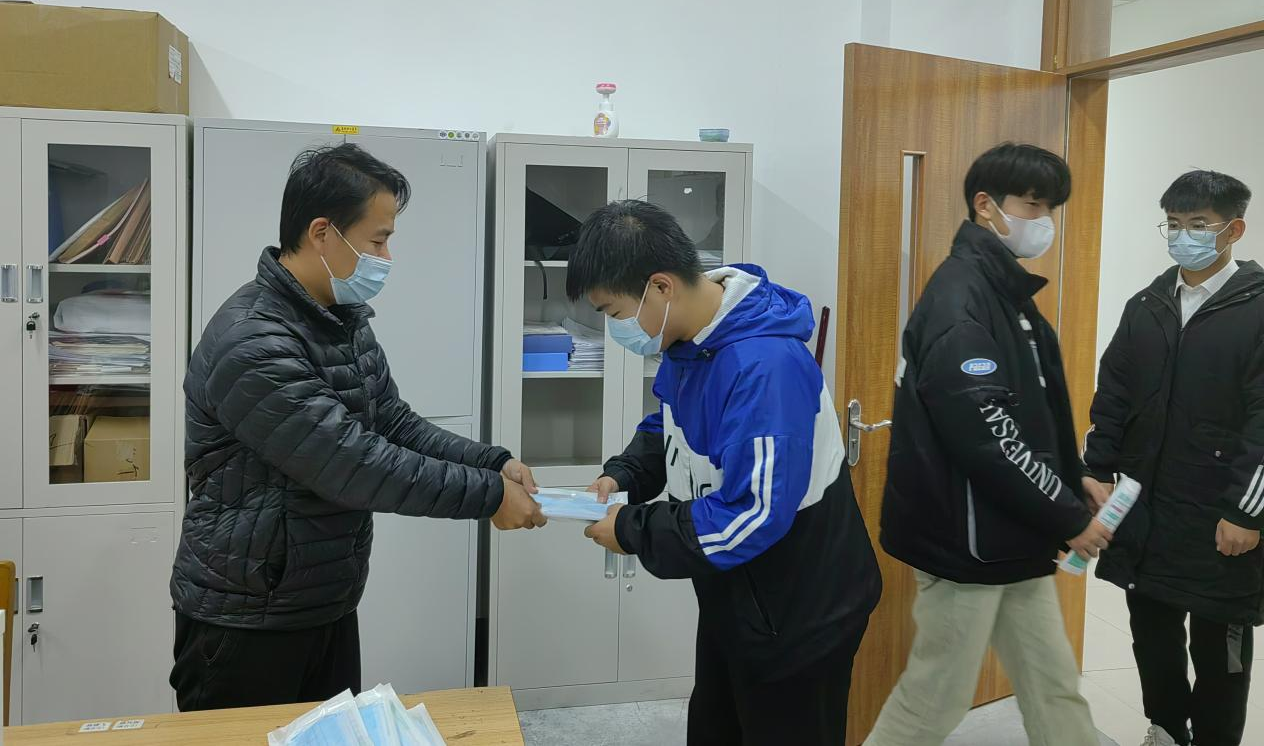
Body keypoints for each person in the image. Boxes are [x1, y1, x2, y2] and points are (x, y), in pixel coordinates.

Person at [169, 143, 546, 711]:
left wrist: (493, 463)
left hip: (322, 598)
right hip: (247, 621)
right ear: (322, 233)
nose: (386, 257)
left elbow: (393, 424)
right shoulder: (253, 342)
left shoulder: (338, 319)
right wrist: (489, 495)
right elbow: (354, 463)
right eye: (377, 241)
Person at [568, 200, 880, 746]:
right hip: (735, 593)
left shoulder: (764, 367)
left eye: (615, 313)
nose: (616, 329)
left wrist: (632, 529)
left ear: (661, 287)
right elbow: (668, 424)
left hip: (798, 612)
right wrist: (623, 476)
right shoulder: (692, 342)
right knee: (717, 724)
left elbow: (753, 513)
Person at [867, 142, 1102, 746]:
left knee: (1054, 687)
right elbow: (988, 435)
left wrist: (1073, 475)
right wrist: (1070, 518)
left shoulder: (1005, 294)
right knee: (933, 700)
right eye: (1032, 205)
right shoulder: (961, 298)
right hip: (967, 542)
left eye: (1050, 208)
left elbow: (1034, 414)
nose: (1043, 221)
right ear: (985, 205)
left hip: (1012, 534)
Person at [1085, 169, 1263, 746]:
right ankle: (1164, 730)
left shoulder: (1258, 309)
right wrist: (1096, 468)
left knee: (1220, 655)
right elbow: (1113, 392)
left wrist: (1246, 513)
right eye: (1175, 224)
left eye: (1199, 225)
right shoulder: (1148, 304)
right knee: (1152, 638)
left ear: (1234, 229)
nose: (1184, 236)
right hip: (1148, 512)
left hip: (1220, 520)